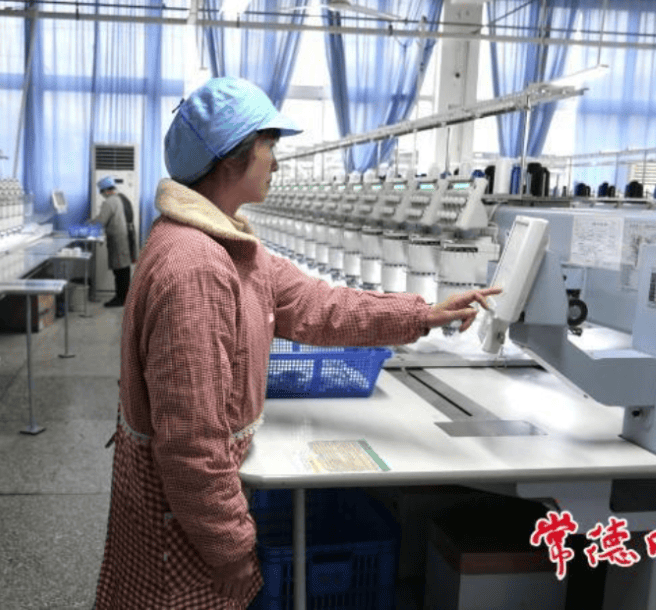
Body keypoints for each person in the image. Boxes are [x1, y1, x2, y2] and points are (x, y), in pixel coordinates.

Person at [94, 77, 500, 609]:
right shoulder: (196, 268)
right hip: (179, 523)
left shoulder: (226, 246)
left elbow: (319, 306)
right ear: (231, 158)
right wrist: (234, 551)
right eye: (270, 147)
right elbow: (192, 446)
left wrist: (423, 313)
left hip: (186, 507)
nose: (277, 163)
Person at [93, 175, 138, 307]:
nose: (102, 196)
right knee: (124, 268)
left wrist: (88, 223)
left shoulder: (109, 202)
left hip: (119, 239)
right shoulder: (123, 198)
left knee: (119, 271)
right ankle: (125, 297)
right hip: (128, 236)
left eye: (102, 193)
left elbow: (101, 221)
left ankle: (120, 299)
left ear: (106, 191)